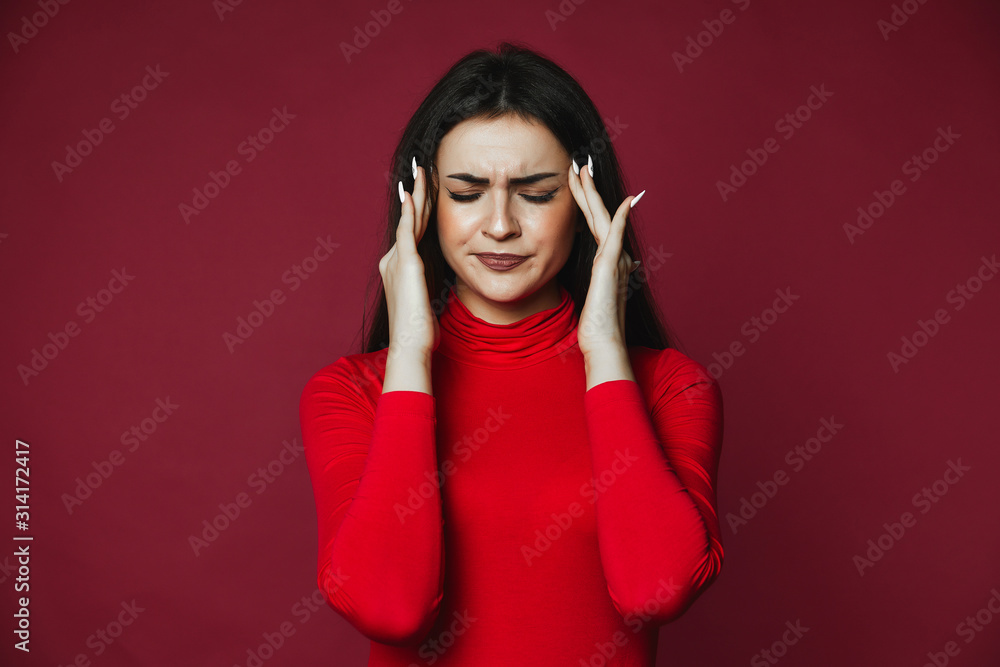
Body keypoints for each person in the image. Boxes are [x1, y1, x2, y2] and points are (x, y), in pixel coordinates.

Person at [299, 41, 725, 666]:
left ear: (585, 206)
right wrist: (411, 355)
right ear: (423, 207)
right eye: (467, 193)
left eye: (536, 192)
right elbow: (390, 609)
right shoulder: (353, 393)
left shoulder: (670, 388)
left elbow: (654, 591)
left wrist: (603, 347)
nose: (500, 225)